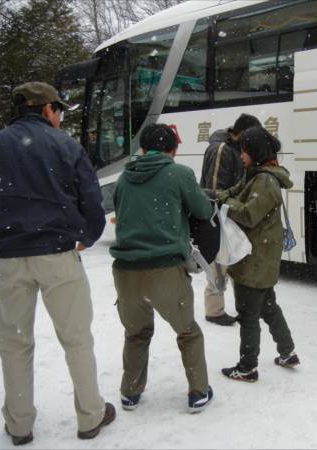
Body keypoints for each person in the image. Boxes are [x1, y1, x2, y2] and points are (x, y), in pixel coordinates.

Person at [0, 81, 115, 445]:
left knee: (14, 344)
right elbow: (92, 201)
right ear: (47, 109)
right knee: (76, 338)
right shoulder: (66, 146)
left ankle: (19, 425)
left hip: (9, 257)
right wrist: (88, 235)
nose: (60, 117)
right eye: (59, 110)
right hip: (59, 254)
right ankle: (91, 416)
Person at [110, 123, 214, 413]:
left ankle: (130, 393)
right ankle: (198, 392)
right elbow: (203, 210)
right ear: (174, 150)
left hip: (125, 271)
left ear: (142, 149)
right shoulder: (179, 173)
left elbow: (122, 211)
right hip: (165, 269)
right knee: (188, 332)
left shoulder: (123, 177)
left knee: (136, 333)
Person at [216, 126, 299, 382]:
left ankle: (248, 367)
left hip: (254, 259)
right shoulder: (258, 174)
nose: (241, 155)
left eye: (244, 150)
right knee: (269, 307)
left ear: (256, 152)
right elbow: (234, 193)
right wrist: (216, 196)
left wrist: (224, 204)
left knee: (248, 315)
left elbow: (249, 214)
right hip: (261, 256)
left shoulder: (265, 180)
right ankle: (288, 352)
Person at [199, 113, 262, 326]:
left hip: (230, 213)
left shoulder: (234, 149)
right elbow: (214, 189)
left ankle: (242, 307)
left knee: (235, 262)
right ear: (241, 133)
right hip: (220, 216)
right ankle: (214, 311)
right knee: (220, 265)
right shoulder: (221, 150)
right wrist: (224, 211)